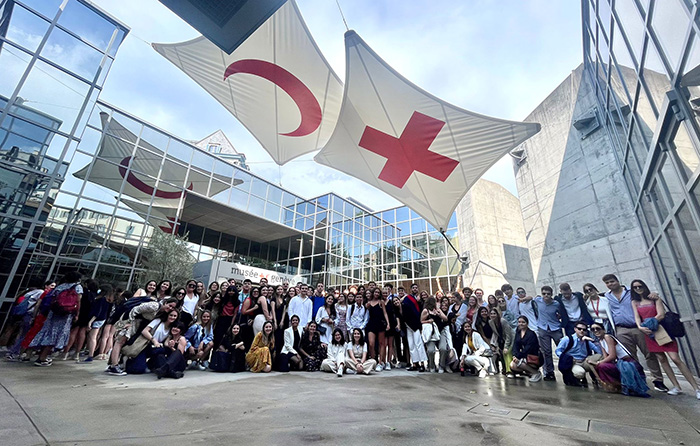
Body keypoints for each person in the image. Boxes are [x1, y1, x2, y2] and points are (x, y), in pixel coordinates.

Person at [631, 279, 700, 399]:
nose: (638, 289)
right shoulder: (634, 302)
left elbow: (661, 314)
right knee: (662, 359)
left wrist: (648, 323)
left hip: (662, 331)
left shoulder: (654, 298)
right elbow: (637, 317)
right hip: (649, 334)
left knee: (675, 358)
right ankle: (676, 386)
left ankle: (696, 388)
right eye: (635, 287)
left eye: (639, 286)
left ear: (644, 286)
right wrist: (640, 327)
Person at [603, 274, 667, 392]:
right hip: (621, 329)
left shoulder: (631, 291)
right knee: (630, 357)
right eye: (607, 283)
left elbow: (646, 296)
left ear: (617, 281)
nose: (610, 284)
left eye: (612, 281)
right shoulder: (607, 296)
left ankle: (658, 380)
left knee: (649, 354)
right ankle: (639, 379)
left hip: (639, 327)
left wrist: (654, 295)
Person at [106, 297, 178, 376]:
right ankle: (114, 366)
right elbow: (135, 309)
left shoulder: (161, 311)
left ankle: (114, 364)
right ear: (165, 303)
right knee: (120, 342)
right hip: (129, 321)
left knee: (123, 342)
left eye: (173, 307)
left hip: (136, 324)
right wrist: (128, 322)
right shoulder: (155, 306)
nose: (170, 308)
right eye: (169, 305)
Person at [30, 271, 83, 367]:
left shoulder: (60, 287)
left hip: (54, 312)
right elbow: (78, 301)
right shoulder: (77, 287)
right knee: (55, 335)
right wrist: (77, 314)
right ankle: (43, 358)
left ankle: (41, 355)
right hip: (66, 314)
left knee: (47, 333)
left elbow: (52, 299)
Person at [588, 322, 649, 397]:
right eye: (593, 329)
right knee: (601, 366)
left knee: (601, 366)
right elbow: (606, 357)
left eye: (598, 328)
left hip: (628, 363)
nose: (595, 331)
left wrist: (598, 362)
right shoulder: (601, 341)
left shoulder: (607, 337)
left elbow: (612, 356)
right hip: (618, 363)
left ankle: (621, 385)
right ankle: (617, 385)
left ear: (603, 330)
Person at [554, 321, 601, 387]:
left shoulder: (587, 341)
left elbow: (599, 351)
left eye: (584, 330)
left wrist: (593, 341)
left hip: (585, 361)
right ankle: (577, 378)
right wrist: (567, 358)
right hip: (573, 362)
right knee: (580, 373)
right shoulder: (567, 339)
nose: (582, 331)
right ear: (575, 329)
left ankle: (597, 379)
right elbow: (558, 351)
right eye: (579, 329)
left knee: (601, 357)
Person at [534, 286, 563, 381]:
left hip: (555, 328)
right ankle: (549, 373)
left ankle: (567, 370)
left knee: (563, 350)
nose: (546, 295)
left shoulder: (556, 304)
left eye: (548, 294)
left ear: (551, 294)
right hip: (543, 328)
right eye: (544, 293)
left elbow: (561, 313)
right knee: (546, 352)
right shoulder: (537, 301)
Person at [83, 284, 114, 363]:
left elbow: (97, 311)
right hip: (102, 319)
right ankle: (91, 353)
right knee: (94, 337)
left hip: (97, 319)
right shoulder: (108, 300)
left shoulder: (101, 299)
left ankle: (90, 355)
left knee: (92, 337)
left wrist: (90, 321)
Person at [402, 283, 427, 372]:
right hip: (408, 324)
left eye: (416, 288)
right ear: (411, 289)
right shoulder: (408, 298)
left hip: (417, 324)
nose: (415, 289)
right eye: (413, 288)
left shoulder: (420, 299)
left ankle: (423, 364)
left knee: (419, 344)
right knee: (411, 345)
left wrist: (419, 301)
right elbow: (404, 308)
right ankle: (415, 363)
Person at [510, 316, 542, 382]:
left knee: (519, 362)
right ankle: (529, 373)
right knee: (513, 365)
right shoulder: (518, 333)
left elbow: (528, 349)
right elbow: (515, 345)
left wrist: (518, 357)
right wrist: (514, 355)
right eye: (519, 322)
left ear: (527, 323)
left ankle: (536, 373)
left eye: (523, 322)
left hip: (532, 356)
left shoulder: (531, 334)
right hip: (522, 356)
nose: (521, 324)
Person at [366, 287, 390, 371]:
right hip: (371, 324)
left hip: (380, 323)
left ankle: (380, 362)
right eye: (375, 292)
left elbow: (385, 313)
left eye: (378, 292)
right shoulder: (368, 303)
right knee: (371, 344)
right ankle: (373, 361)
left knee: (381, 343)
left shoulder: (381, 302)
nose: (376, 294)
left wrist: (388, 323)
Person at [421, 296, 447, 373]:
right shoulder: (425, 311)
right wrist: (429, 320)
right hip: (431, 333)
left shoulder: (438, 310)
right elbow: (421, 321)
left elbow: (445, 318)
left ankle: (441, 365)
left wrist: (439, 314)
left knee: (443, 349)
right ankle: (431, 365)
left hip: (440, 331)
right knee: (431, 350)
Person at [489, 308, 514, 375]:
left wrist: (506, 346)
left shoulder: (503, 321)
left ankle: (510, 371)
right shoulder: (491, 322)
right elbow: (495, 333)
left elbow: (508, 335)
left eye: (494, 313)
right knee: (501, 354)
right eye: (491, 314)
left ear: (497, 314)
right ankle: (504, 369)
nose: (493, 315)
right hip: (501, 340)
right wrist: (493, 344)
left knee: (507, 353)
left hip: (510, 339)